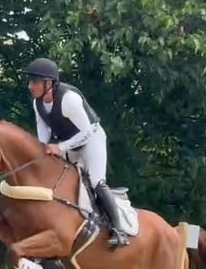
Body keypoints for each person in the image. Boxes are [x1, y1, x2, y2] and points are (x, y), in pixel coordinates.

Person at [22, 57, 129, 250]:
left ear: (49, 83)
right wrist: (42, 148)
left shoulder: (69, 99)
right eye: (30, 81)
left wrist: (60, 148)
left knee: (96, 181)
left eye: (35, 82)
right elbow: (44, 128)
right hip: (69, 144)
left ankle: (119, 230)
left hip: (92, 138)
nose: (30, 86)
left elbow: (86, 132)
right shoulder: (38, 103)